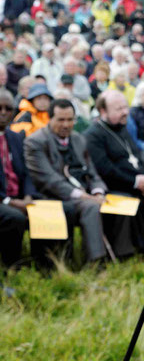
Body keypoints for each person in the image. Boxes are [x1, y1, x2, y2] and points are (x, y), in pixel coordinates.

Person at [84, 90, 144, 249]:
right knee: (138, 203)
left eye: (125, 107)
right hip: (114, 186)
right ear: (103, 111)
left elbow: (138, 158)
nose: (125, 112)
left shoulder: (121, 127)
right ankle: (140, 249)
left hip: (136, 183)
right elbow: (104, 169)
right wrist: (135, 182)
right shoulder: (93, 135)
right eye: (118, 109)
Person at [24, 99, 108, 262]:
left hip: (83, 193)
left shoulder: (78, 139)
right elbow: (48, 179)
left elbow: (91, 172)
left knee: (112, 202)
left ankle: (123, 253)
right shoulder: (36, 141)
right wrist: (82, 195)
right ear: (50, 119)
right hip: (53, 195)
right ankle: (96, 261)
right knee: (91, 207)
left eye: (70, 120)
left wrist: (98, 191)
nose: (66, 125)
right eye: (61, 120)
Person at [0, 91, 37, 267]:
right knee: (15, 217)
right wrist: (9, 202)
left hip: (19, 197)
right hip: (3, 199)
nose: (3, 112)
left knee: (59, 208)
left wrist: (29, 195)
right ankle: (12, 265)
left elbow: (26, 173)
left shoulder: (16, 137)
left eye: (8, 108)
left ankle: (46, 262)